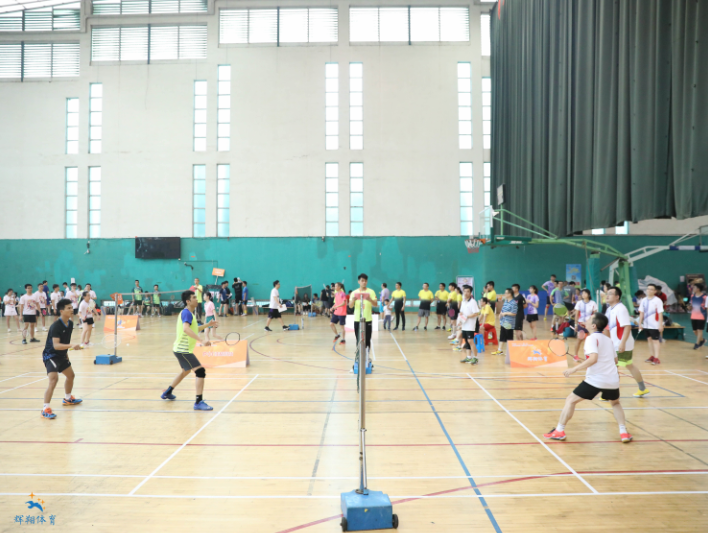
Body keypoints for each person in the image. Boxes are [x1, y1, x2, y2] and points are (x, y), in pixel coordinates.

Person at [543, 312, 633, 443]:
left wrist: (573, 369)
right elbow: (615, 360)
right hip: (612, 379)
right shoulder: (608, 340)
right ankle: (623, 432)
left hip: (596, 380)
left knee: (570, 400)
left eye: (590, 319)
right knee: (615, 403)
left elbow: (593, 358)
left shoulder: (591, 338)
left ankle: (559, 431)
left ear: (594, 325)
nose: (587, 319)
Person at [160, 290, 217, 410]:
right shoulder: (187, 313)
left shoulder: (189, 313)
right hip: (183, 350)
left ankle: (168, 392)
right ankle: (198, 402)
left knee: (185, 371)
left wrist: (208, 325)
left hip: (180, 349)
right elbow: (186, 329)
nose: (197, 299)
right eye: (194, 297)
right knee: (200, 372)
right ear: (188, 301)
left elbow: (194, 328)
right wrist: (201, 341)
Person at [40, 298, 83, 419]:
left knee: (71, 375)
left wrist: (66, 353)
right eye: (68, 308)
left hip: (61, 355)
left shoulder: (70, 324)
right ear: (61, 311)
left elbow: (65, 341)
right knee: (54, 379)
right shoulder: (56, 326)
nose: (71, 310)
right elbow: (56, 345)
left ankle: (68, 398)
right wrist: (71, 346)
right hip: (51, 355)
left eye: (72, 307)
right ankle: (45, 408)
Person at [606, 286, 649, 397]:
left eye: (610, 293)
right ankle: (642, 388)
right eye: (607, 293)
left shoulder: (621, 309)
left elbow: (627, 326)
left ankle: (611, 393)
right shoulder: (610, 309)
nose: (607, 295)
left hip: (621, 343)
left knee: (613, 367)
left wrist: (622, 343)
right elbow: (607, 327)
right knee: (628, 365)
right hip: (615, 343)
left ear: (617, 296)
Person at [349, 273, 376, 352]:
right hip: (358, 319)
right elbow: (350, 306)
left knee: (367, 338)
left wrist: (370, 299)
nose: (364, 282)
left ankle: (367, 355)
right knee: (358, 338)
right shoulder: (354, 292)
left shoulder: (371, 292)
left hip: (368, 319)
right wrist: (353, 300)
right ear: (359, 281)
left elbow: (375, 304)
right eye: (362, 281)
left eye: (365, 281)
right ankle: (359, 355)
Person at [638, 283, 664, 365]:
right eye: (648, 289)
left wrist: (660, 325)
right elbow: (641, 313)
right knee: (649, 340)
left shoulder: (658, 300)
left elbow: (660, 313)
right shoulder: (643, 300)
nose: (649, 290)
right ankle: (652, 356)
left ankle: (656, 358)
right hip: (646, 325)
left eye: (651, 289)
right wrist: (640, 323)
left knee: (655, 341)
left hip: (655, 325)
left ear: (655, 291)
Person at [572, 289, 598, 361]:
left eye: (585, 293)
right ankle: (575, 355)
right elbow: (576, 315)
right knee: (579, 339)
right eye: (582, 293)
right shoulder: (579, 303)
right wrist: (576, 325)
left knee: (590, 341)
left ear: (588, 295)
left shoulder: (593, 303)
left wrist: (593, 324)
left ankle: (588, 356)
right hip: (581, 325)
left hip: (589, 325)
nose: (583, 294)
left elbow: (595, 315)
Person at [458, 285, 480, 364]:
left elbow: (476, 313)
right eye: (464, 291)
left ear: (470, 293)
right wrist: (460, 318)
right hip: (464, 325)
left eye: (468, 291)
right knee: (467, 341)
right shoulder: (463, 301)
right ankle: (468, 357)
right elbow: (461, 312)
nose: (466, 293)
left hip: (470, 325)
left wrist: (467, 316)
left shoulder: (473, 302)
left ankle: (475, 358)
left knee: (470, 341)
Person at [498, 289, 517, 363]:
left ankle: (510, 352)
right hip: (503, 321)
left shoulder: (513, 303)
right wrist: (500, 314)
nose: (505, 294)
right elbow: (503, 310)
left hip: (509, 323)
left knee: (509, 337)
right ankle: (500, 350)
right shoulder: (506, 301)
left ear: (510, 294)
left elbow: (514, 313)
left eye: (506, 293)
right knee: (502, 336)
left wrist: (505, 313)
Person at [688, 283, 706, 350]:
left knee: (699, 330)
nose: (693, 288)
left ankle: (697, 344)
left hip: (701, 316)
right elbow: (691, 305)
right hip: (693, 315)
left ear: (698, 289)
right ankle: (702, 340)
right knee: (695, 331)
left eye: (694, 287)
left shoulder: (704, 297)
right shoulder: (692, 296)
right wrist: (689, 307)